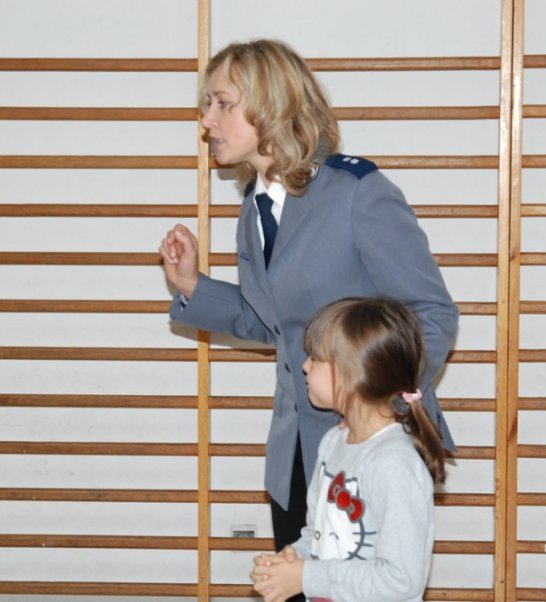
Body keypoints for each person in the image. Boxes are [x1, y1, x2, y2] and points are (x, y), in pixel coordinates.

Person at [158, 39, 458, 557]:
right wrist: (191, 286)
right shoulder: (255, 206)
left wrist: (375, 407)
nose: (207, 120)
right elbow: (272, 322)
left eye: (222, 103)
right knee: (297, 586)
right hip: (296, 455)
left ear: (270, 105)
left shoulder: (355, 192)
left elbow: (433, 315)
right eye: (208, 104)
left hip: (370, 453)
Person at [250, 297, 445, 602]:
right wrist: (292, 560)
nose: (304, 366)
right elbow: (317, 532)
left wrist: (306, 576)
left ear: (352, 374)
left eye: (315, 358)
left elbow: (401, 580)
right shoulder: (333, 443)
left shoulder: (394, 464)